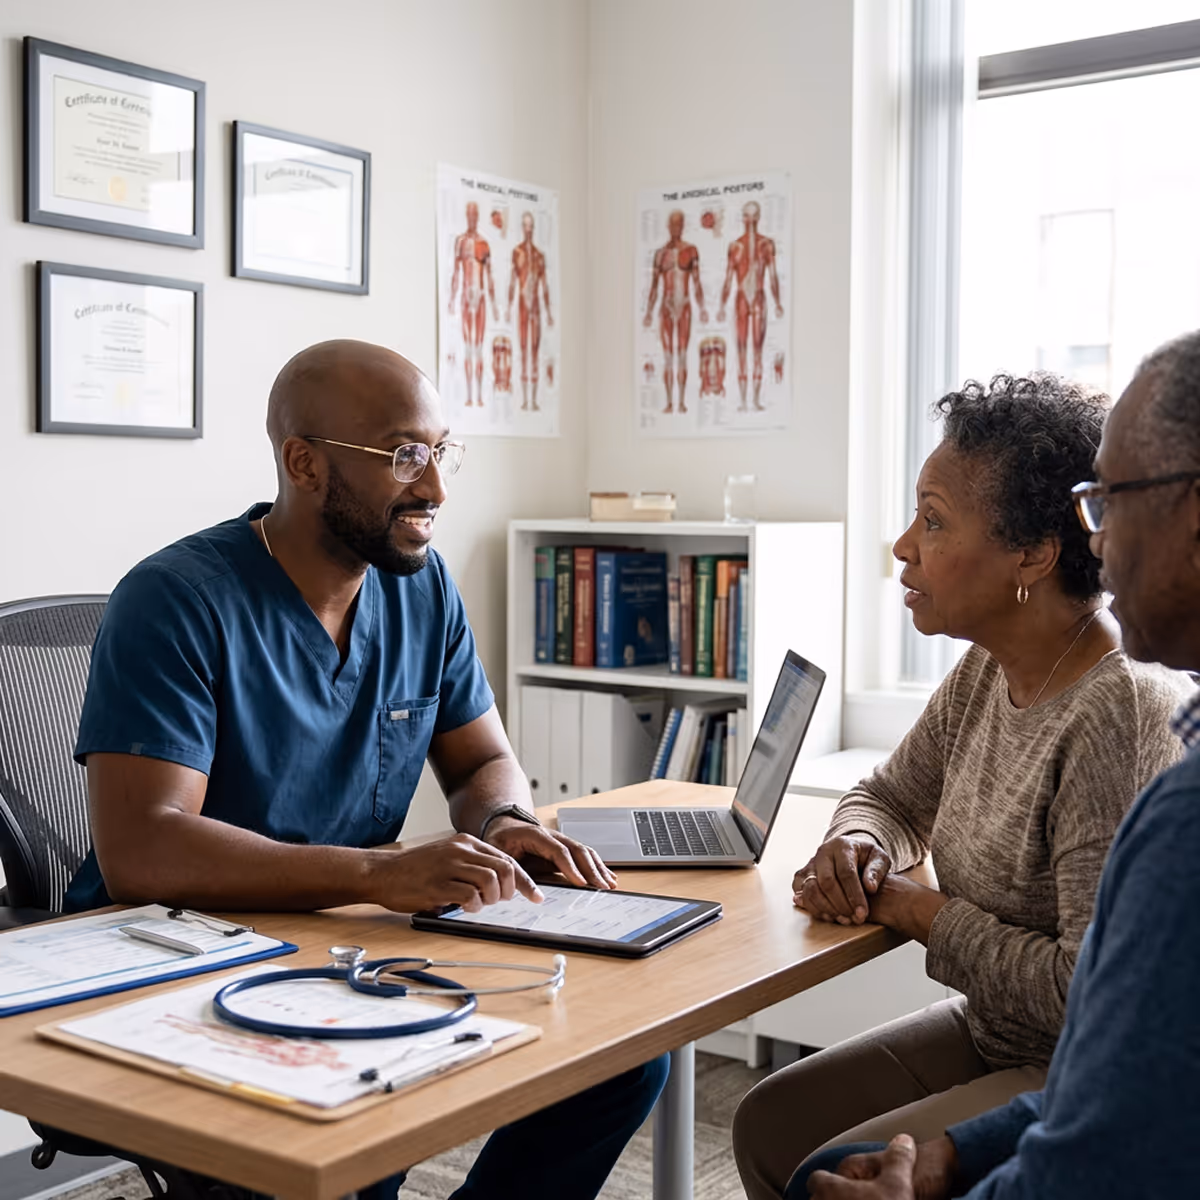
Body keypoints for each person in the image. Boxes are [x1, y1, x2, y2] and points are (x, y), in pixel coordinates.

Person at [64, 340, 668, 1200]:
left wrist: (505, 824)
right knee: (349, 1159)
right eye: (403, 455)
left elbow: (484, 760)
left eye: (440, 451)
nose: (436, 488)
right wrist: (382, 873)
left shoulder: (419, 589)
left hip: (346, 942)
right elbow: (144, 852)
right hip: (181, 953)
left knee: (621, 1061)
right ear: (303, 464)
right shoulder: (176, 600)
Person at [732, 373, 1193, 1200]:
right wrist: (860, 844)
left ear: (1033, 554)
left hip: (1061, 1057)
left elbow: (1076, 992)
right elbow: (892, 796)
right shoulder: (987, 666)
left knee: (817, 1173)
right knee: (768, 1122)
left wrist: (912, 908)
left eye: (935, 520)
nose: (904, 545)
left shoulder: (1114, 712)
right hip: (989, 1027)